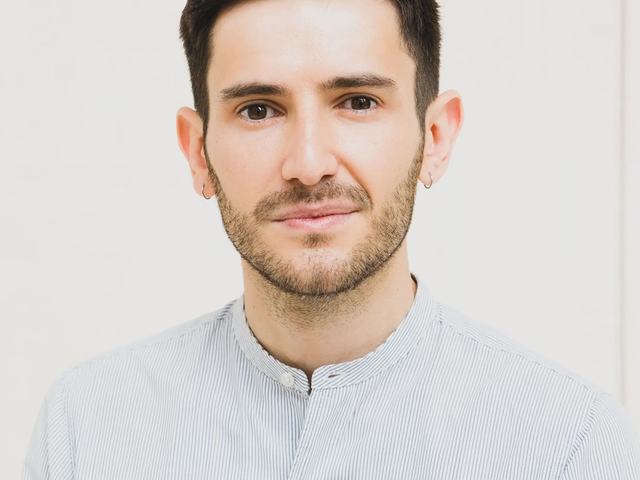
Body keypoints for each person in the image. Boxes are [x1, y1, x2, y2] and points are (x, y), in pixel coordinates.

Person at [23, 0, 640, 478]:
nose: (309, 164)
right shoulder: (86, 428)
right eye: (259, 109)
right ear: (197, 152)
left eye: (358, 101)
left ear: (436, 137)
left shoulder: (571, 445)